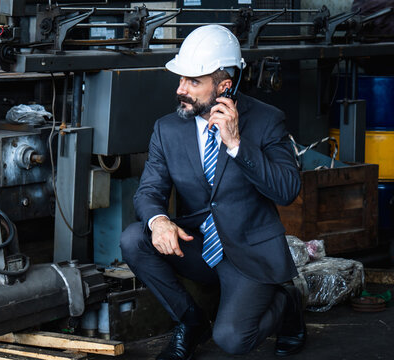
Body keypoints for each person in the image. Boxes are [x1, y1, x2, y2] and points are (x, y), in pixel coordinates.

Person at [120, 25, 305, 360]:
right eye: (180, 79)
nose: (181, 89)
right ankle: (190, 322)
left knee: (233, 341)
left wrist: (236, 144)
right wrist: (159, 221)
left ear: (224, 86)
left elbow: (287, 190)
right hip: (198, 246)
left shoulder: (266, 121)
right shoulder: (167, 129)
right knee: (135, 238)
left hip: (249, 253)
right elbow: (148, 190)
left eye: (193, 82)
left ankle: (288, 302)